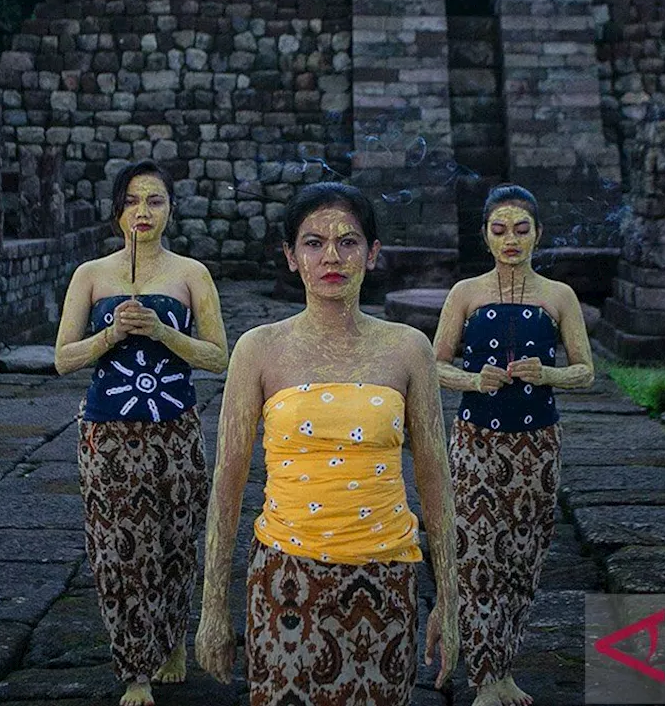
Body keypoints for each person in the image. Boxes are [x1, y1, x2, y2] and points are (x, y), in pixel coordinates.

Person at [195, 181, 458, 705]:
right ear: (291, 257)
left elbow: (435, 476)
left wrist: (449, 601)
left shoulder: (407, 349)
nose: (331, 256)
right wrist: (213, 607)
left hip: (387, 576)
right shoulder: (259, 350)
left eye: (349, 241)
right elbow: (227, 481)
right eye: (313, 243)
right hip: (286, 580)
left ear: (373, 253)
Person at [54, 159, 229, 706]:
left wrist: (161, 332)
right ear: (117, 212)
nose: (143, 212)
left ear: (170, 210)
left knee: (175, 541)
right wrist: (109, 336)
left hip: (174, 428)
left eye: (154, 201)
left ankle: (172, 638)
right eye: (132, 201)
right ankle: (136, 669)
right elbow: (62, 358)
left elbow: (218, 355)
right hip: (108, 432)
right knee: (119, 549)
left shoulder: (190, 274)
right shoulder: (91, 275)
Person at [433, 184, 595, 706]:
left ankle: (506, 666)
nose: (511, 240)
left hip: (537, 444)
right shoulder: (465, 293)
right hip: (475, 442)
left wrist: (548, 373)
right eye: (500, 230)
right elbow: (433, 364)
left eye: (521, 230)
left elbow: (586, 371)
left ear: (537, 236)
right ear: (485, 236)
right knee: (477, 555)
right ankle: (483, 677)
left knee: (524, 559)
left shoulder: (558, 296)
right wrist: (473, 380)